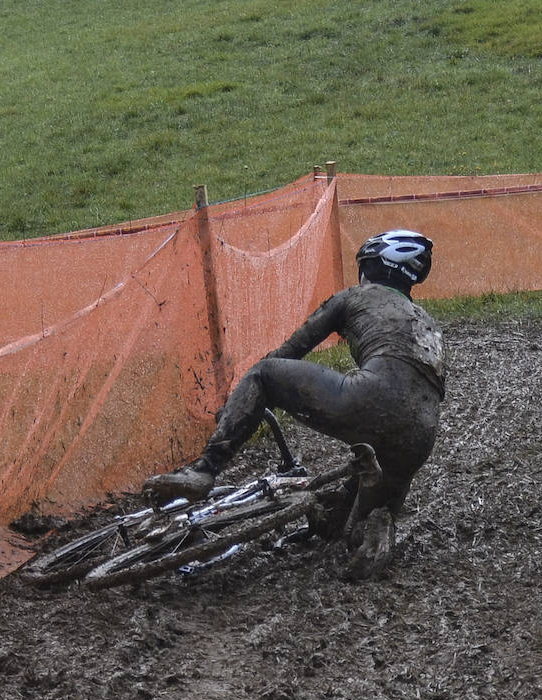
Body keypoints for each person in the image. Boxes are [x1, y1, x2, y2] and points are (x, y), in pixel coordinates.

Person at [143, 229, 445, 577]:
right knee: (340, 523)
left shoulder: (356, 296)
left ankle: (203, 471)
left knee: (264, 375)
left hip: (371, 397)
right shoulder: (427, 322)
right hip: (421, 435)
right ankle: (375, 528)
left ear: (374, 266)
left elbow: (290, 353)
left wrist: (239, 405)